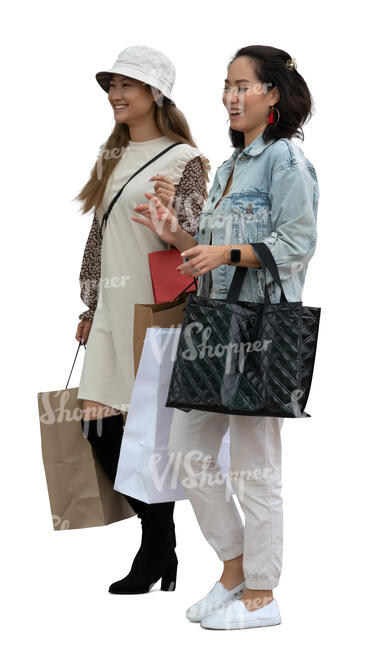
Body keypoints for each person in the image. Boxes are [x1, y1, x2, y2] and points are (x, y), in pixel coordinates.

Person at [131, 45, 319, 628]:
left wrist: (227, 252)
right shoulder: (230, 167)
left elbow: (298, 242)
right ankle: (234, 570)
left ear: (273, 96)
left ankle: (262, 595)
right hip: (212, 326)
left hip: (260, 329)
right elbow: (206, 252)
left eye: (243, 85)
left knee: (255, 468)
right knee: (187, 453)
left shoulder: (286, 161)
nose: (230, 96)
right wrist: (177, 232)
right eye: (226, 85)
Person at [73, 45, 211, 595]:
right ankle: (161, 547)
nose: (115, 95)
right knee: (97, 426)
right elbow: (98, 236)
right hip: (111, 307)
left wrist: (174, 217)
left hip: (155, 313)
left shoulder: (187, 159)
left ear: (156, 93)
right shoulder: (112, 155)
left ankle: (155, 553)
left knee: (144, 436)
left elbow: (200, 240)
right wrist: (89, 304)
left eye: (127, 85)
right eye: (111, 85)